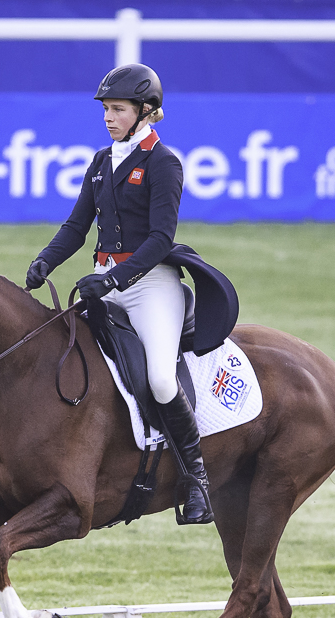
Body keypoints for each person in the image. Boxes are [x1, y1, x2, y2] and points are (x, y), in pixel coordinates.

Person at [24, 63, 213, 525]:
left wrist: (111, 279)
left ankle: (197, 481)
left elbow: (160, 239)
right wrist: (46, 259)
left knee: (163, 381)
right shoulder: (101, 161)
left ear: (145, 111)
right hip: (104, 284)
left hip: (150, 286)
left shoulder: (163, 163)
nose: (109, 117)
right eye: (106, 109)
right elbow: (76, 226)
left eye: (118, 109)